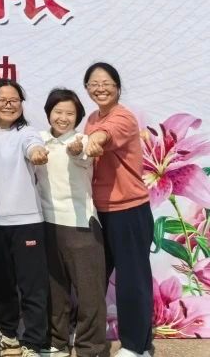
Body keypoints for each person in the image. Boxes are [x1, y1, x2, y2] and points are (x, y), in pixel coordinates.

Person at [81, 62, 153, 357]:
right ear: (87, 89)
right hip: (101, 211)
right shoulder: (91, 118)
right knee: (95, 276)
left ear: (118, 88)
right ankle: (89, 336)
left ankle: (137, 346)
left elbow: (106, 135)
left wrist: (95, 140)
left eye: (106, 83)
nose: (100, 88)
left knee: (132, 280)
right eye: (94, 84)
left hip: (129, 210)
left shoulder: (123, 117)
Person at [35, 88, 106, 357]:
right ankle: (57, 342)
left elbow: (82, 152)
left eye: (70, 113)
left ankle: (91, 348)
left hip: (81, 226)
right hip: (47, 223)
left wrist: (77, 149)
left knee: (89, 293)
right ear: (48, 113)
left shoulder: (82, 140)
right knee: (55, 290)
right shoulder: (39, 140)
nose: (63, 118)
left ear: (77, 117)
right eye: (58, 112)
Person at [0, 79, 50, 357]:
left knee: (32, 286)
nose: (9, 105)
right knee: (2, 284)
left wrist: (37, 153)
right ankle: (9, 334)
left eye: (15, 100)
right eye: (3, 100)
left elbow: (33, 146)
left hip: (27, 221)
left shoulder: (27, 133)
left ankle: (34, 342)